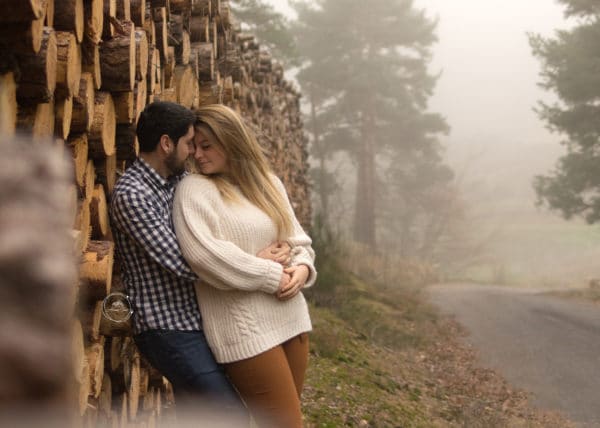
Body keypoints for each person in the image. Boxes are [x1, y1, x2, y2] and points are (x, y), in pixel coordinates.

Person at [110, 101, 292, 421]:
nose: (194, 152)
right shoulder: (133, 193)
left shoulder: (177, 182)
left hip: (198, 321)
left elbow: (213, 239)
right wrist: (254, 260)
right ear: (166, 143)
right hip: (166, 328)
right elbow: (186, 261)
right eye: (188, 143)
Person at [172, 104, 317, 428]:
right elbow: (207, 257)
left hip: (292, 317)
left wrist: (303, 269)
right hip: (245, 329)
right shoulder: (194, 190)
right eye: (194, 145)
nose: (197, 154)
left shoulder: (269, 183)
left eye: (206, 146)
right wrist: (269, 273)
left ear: (232, 142)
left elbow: (297, 240)